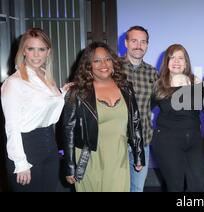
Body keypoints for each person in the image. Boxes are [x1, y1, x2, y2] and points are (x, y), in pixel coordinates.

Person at [63, 41, 145, 192]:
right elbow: (69, 130)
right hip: (89, 159)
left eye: (107, 59)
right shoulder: (77, 92)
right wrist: (70, 166)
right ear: (89, 66)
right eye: (97, 60)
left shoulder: (126, 88)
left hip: (118, 156)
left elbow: (135, 122)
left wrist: (138, 155)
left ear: (113, 62)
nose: (103, 64)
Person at [1, 28, 67, 192]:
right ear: (24, 51)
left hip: (50, 145)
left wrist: (63, 92)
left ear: (48, 52)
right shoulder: (14, 82)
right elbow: (12, 126)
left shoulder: (46, 77)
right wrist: (20, 162)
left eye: (41, 49)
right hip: (26, 148)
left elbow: (45, 106)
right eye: (31, 49)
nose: (36, 55)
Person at [151, 44, 204, 192]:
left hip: (194, 140)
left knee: (199, 185)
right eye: (172, 58)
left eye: (180, 58)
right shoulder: (159, 84)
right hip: (167, 141)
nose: (176, 61)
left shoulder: (196, 82)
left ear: (186, 62)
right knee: (175, 186)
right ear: (166, 62)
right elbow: (143, 109)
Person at [122, 25, 158, 192]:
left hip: (142, 139)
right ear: (126, 43)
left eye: (143, 42)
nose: (138, 45)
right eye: (134, 41)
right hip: (117, 141)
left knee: (137, 188)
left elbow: (162, 98)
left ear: (147, 45)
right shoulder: (113, 69)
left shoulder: (152, 72)